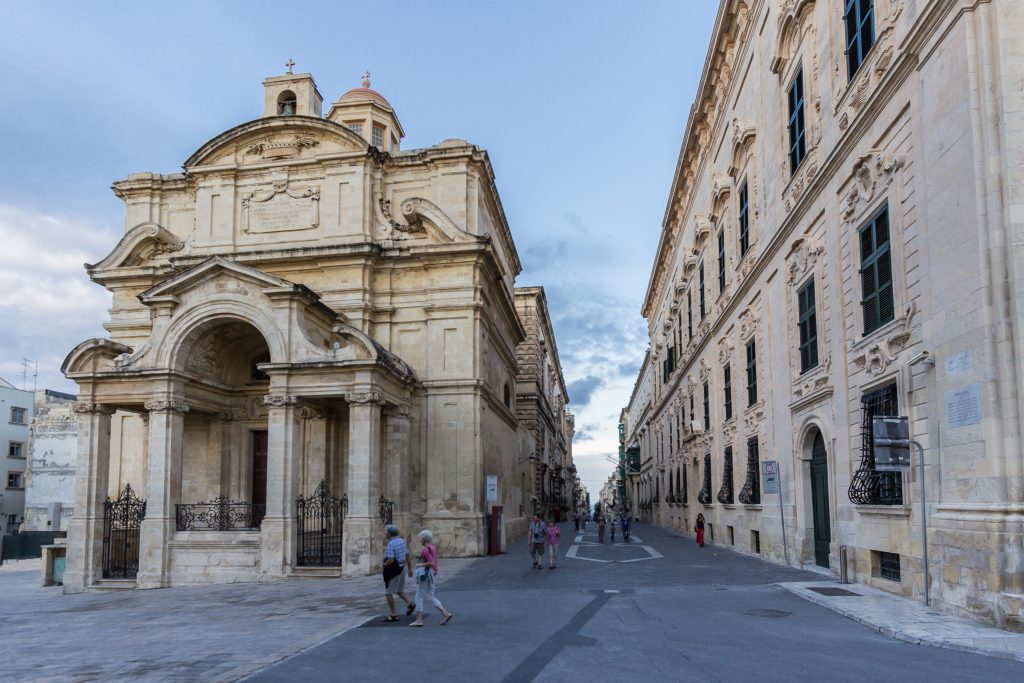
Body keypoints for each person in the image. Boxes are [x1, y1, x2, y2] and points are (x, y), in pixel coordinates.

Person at [409, 530, 454, 627]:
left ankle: (419, 619)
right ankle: (445, 613)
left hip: (426, 575)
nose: (420, 540)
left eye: (421, 538)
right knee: (430, 596)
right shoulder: (432, 547)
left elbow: (430, 563)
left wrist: (419, 564)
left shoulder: (425, 549)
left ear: (424, 539)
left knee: (418, 596)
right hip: (433, 574)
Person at [381, 525, 415, 622]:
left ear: (389, 534)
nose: (385, 533)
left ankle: (393, 614)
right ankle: (410, 603)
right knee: (399, 590)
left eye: (386, 532)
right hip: (402, 567)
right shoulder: (402, 541)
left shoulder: (391, 544)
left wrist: (383, 565)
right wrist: (410, 568)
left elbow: (391, 560)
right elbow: (407, 554)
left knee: (388, 592)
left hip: (393, 569)